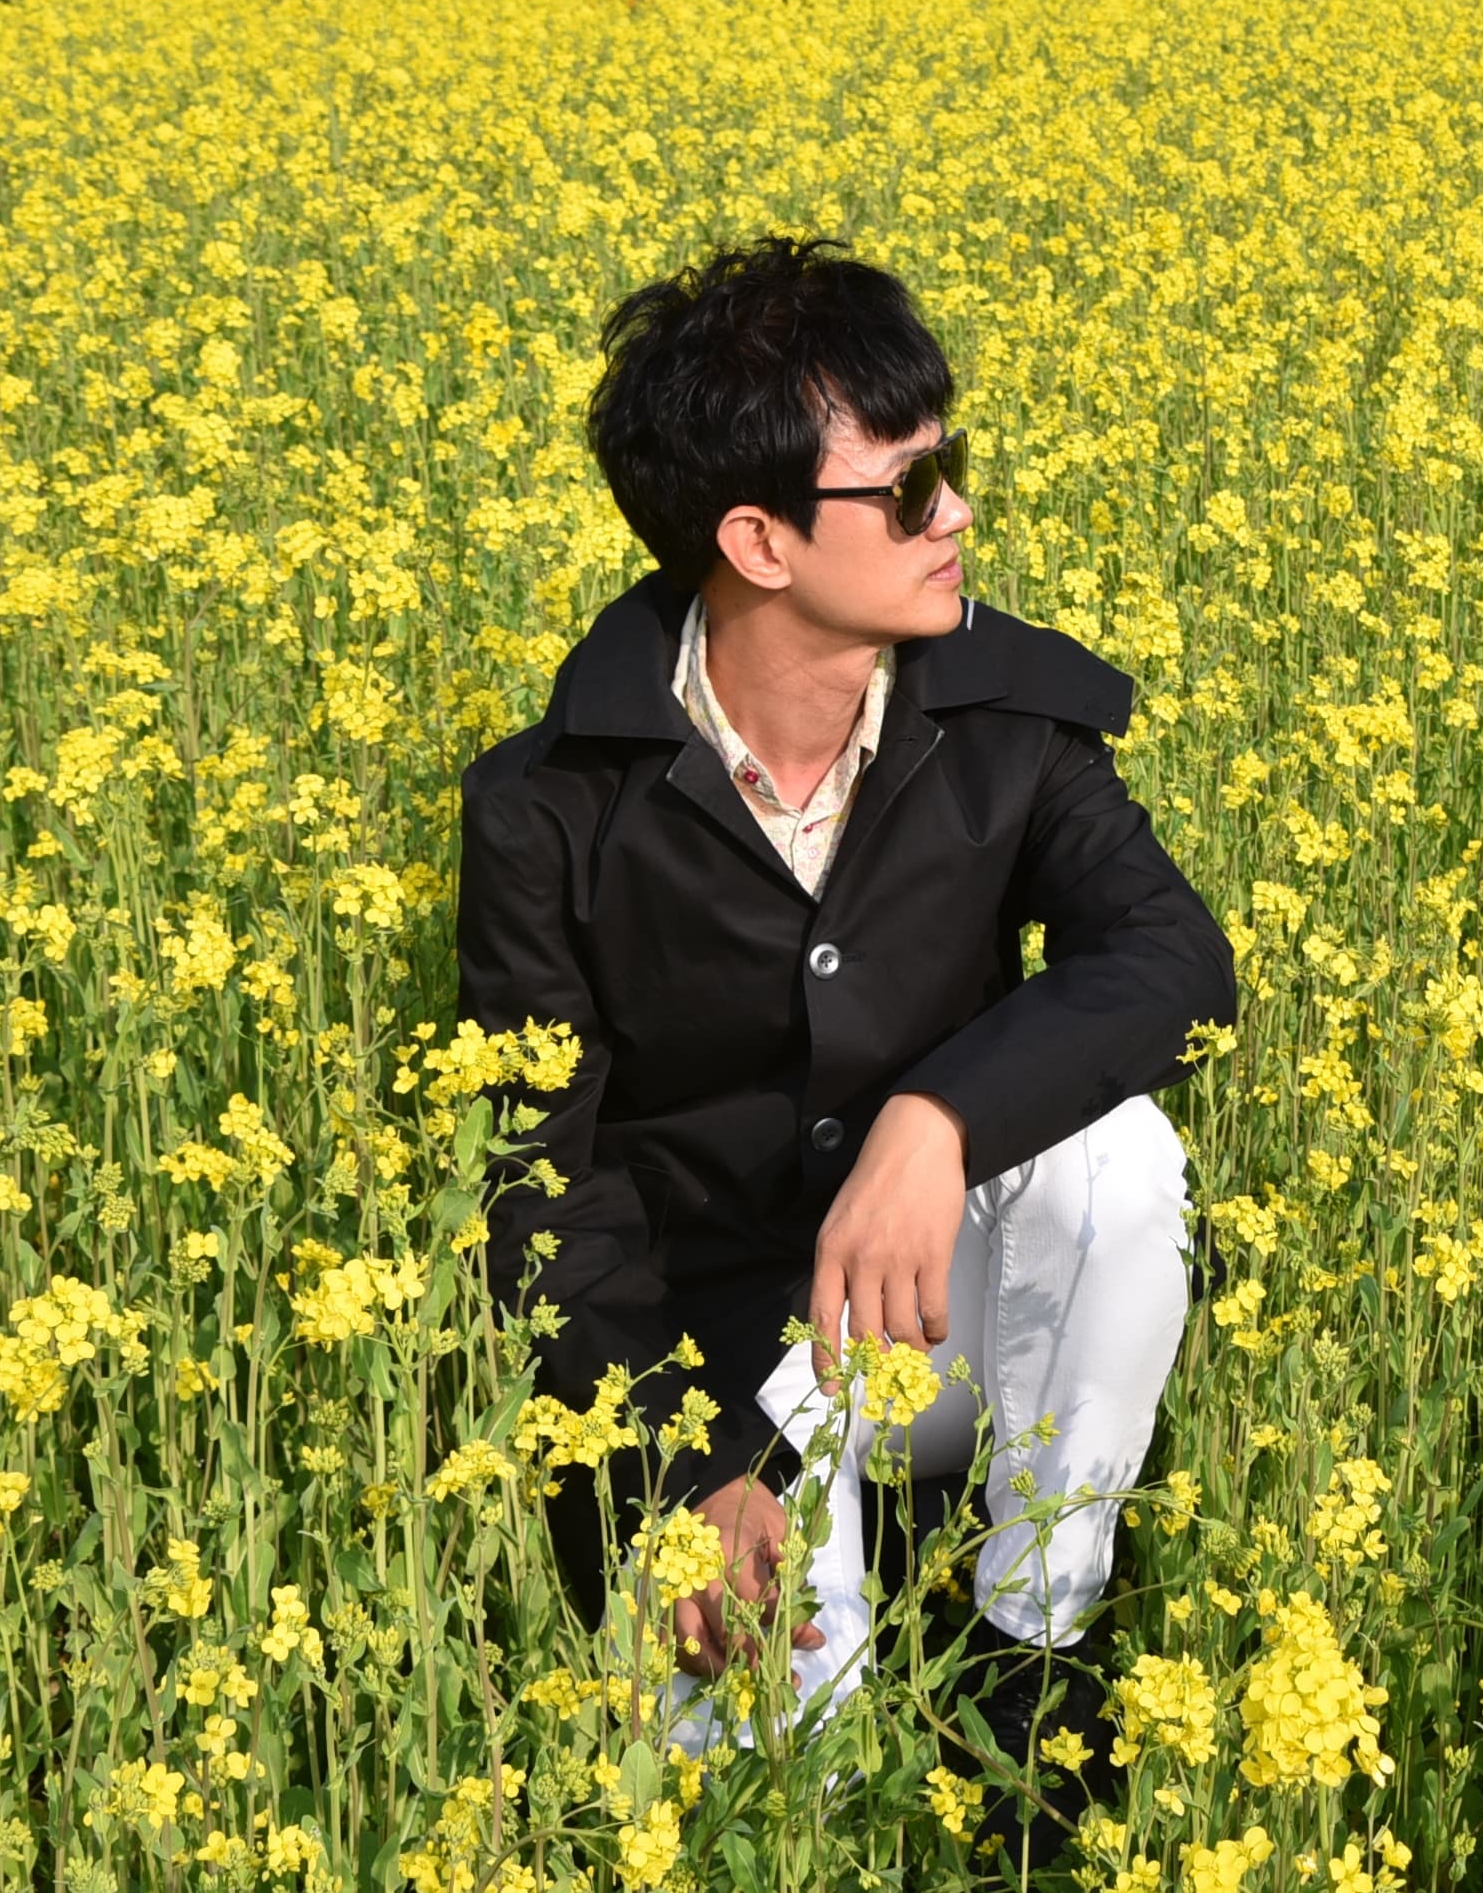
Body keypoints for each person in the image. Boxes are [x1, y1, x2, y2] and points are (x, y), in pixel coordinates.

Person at [451, 235, 1235, 1839]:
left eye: (954, 463)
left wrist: (933, 1122)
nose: (957, 517)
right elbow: (542, 1180)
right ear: (757, 540)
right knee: (757, 1794)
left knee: (1118, 1160)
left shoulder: (1005, 719)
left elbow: (1172, 959)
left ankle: (1033, 1652)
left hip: (941, 1318)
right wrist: (680, 1473)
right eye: (910, 487)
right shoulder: (549, 808)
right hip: (706, 1371)